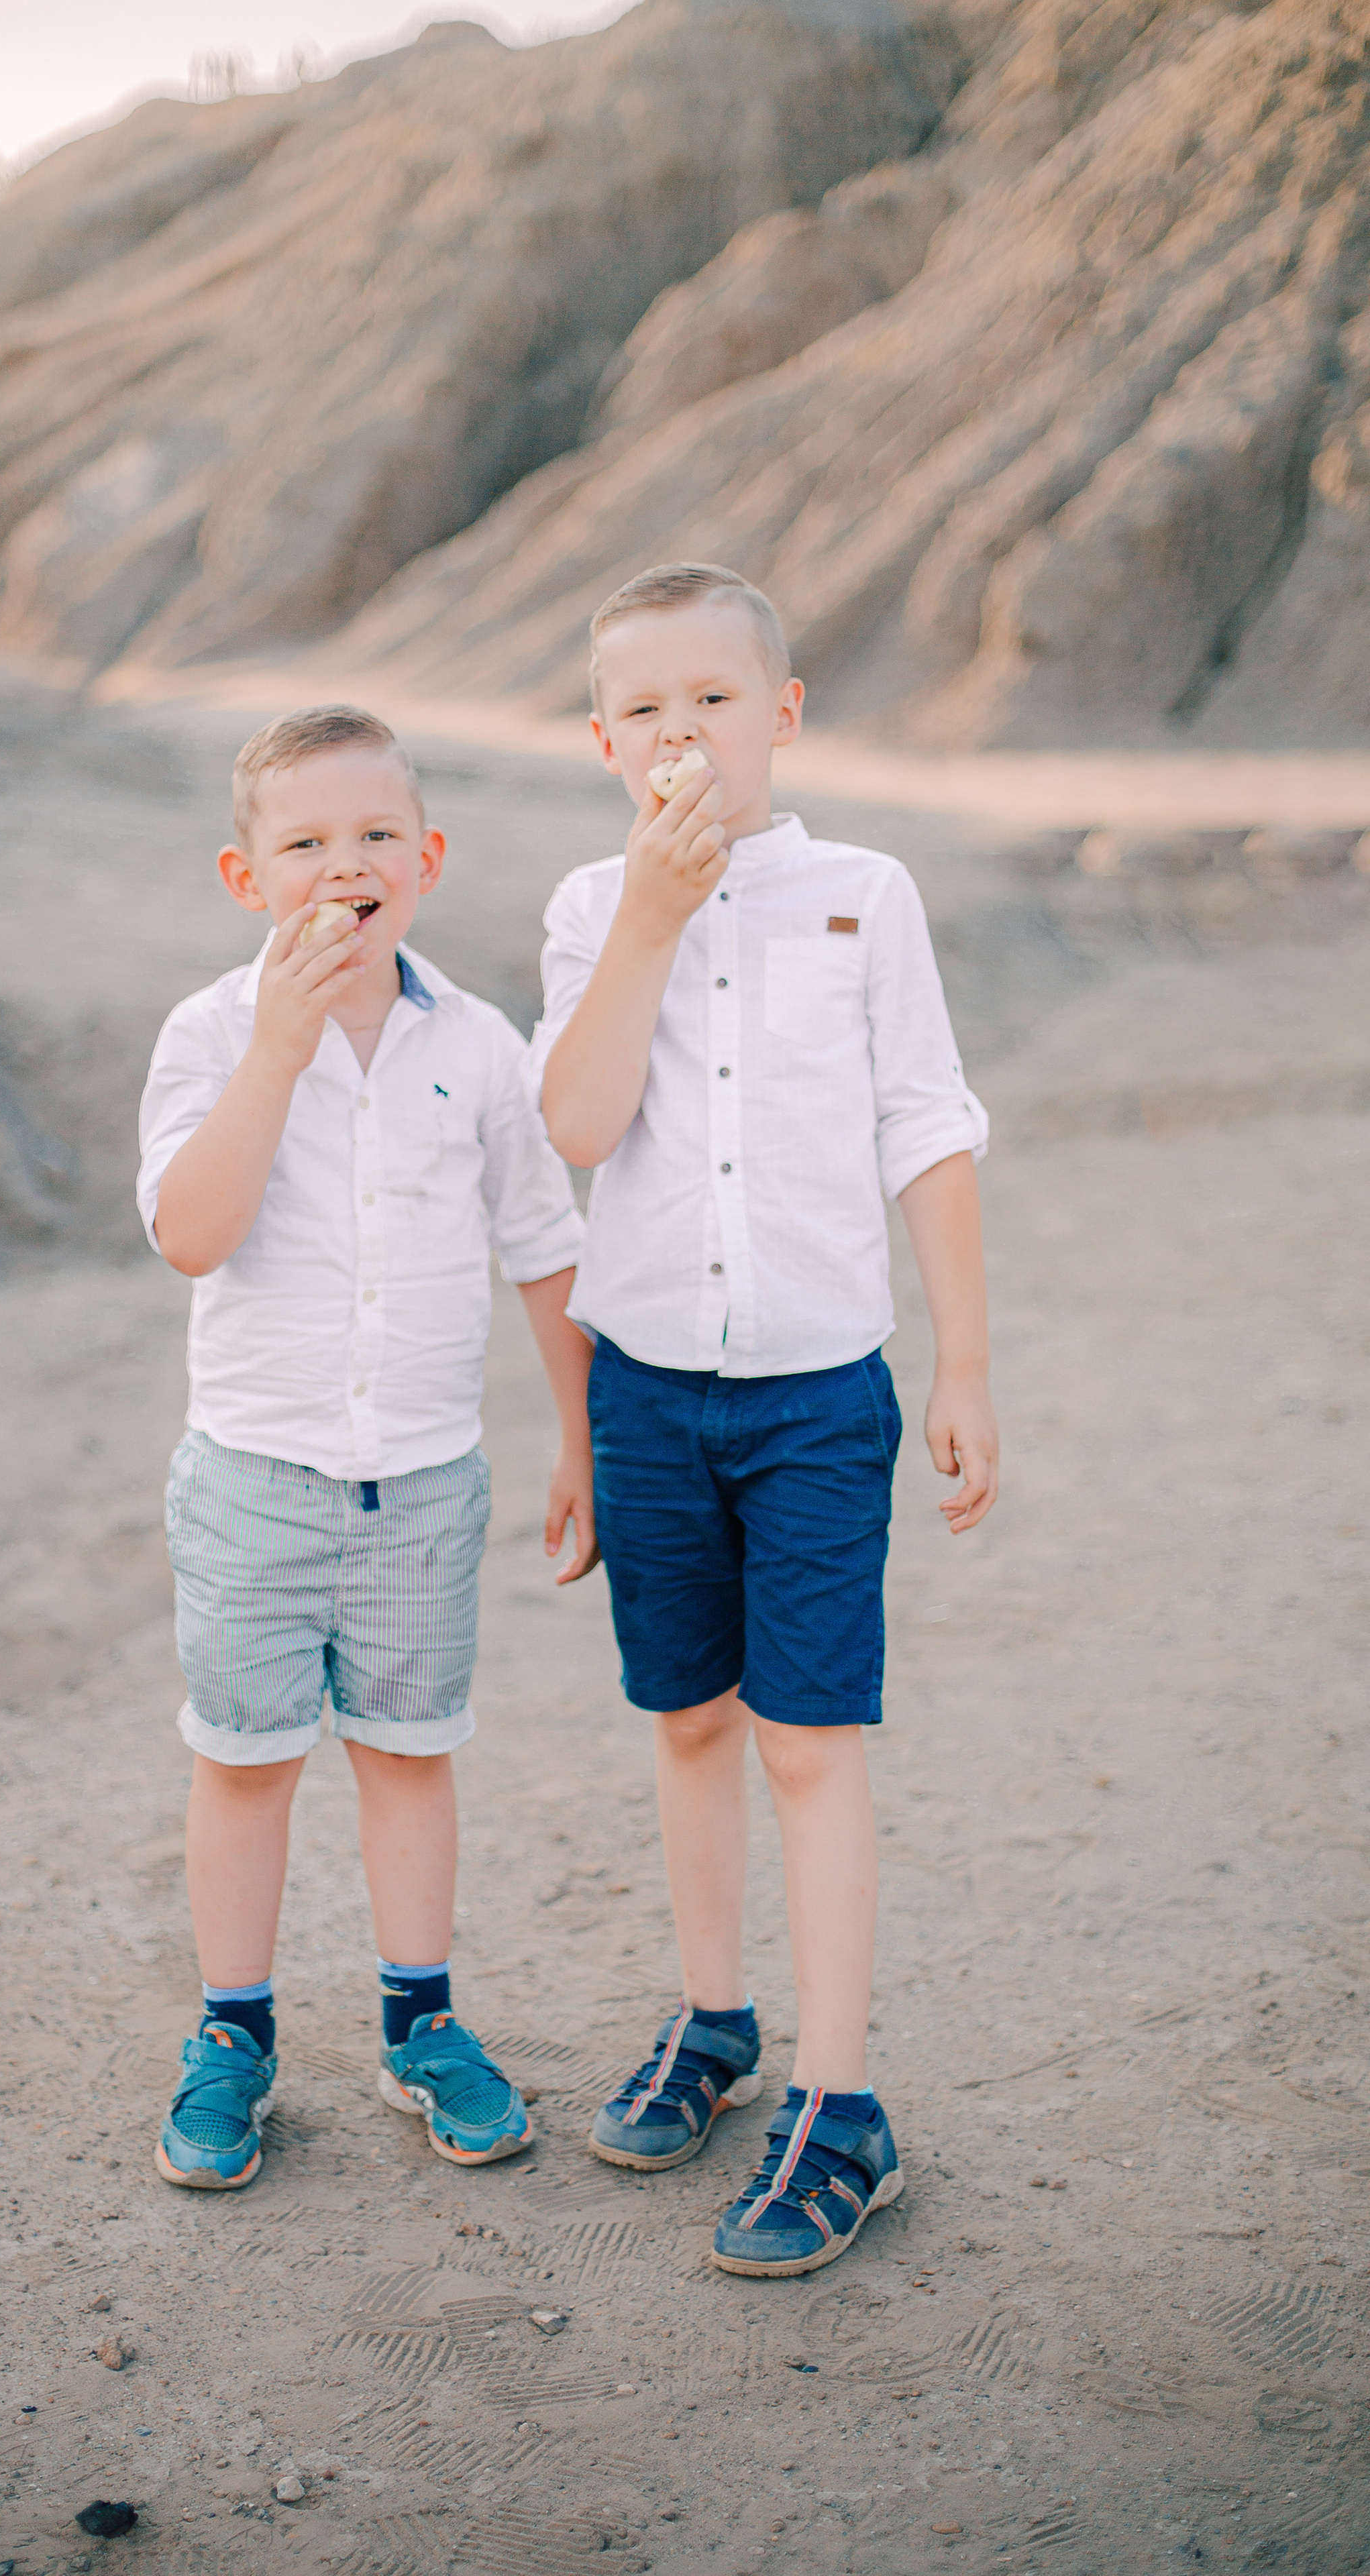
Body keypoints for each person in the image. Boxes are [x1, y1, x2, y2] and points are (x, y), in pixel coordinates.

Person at [532, 564, 998, 2277]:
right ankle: (712, 2022)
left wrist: (959, 1363)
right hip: (647, 1381)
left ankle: (842, 2101)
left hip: (814, 1390)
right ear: (602, 744)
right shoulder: (592, 908)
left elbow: (922, 1123)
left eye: (711, 701)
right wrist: (653, 916)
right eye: (643, 710)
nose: (681, 734)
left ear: (780, 713)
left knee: (810, 1739)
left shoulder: (864, 894)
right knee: (687, 1722)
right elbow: (575, 1128)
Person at [136, 704, 596, 2190]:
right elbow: (191, 1233)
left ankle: (419, 2020)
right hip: (255, 1480)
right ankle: (232, 2037)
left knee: (407, 1757)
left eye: (376, 836)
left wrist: (581, 1441)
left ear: (429, 858)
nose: (346, 866)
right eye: (306, 843)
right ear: (243, 875)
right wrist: (278, 1047)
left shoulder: (479, 1046)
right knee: (248, 1765)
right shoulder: (210, 1035)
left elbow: (541, 1247)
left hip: (422, 1482)